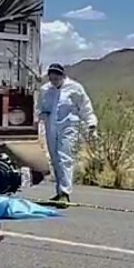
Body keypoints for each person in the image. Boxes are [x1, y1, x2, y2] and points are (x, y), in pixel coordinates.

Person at [38, 63, 98, 208]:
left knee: (65, 158)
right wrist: (42, 114)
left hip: (69, 126)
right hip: (51, 126)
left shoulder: (75, 88)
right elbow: (40, 107)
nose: (54, 80)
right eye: (51, 77)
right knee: (55, 159)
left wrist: (91, 123)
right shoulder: (45, 89)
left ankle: (65, 193)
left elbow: (85, 107)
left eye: (57, 76)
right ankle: (59, 192)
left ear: (62, 75)